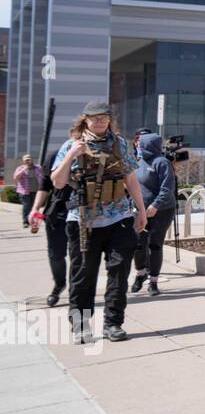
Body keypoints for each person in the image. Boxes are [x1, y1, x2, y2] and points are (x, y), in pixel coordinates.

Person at [50, 101, 149, 343]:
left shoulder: (120, 144)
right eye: (95, 118)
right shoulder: (71, 145)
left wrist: (141, 210)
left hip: (119, 218)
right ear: (85, 120)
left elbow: (131, 178)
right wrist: (72, 155)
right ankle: (80, 325)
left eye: (104, 118)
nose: (100, 122)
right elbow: (57, 181)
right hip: (84, 221)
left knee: (118, 273)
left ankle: (113, 324)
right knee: (83, 275)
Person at [28, 133, 79, 307]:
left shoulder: (93, 157)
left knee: (78, 255)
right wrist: (35, 209)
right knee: (55, 254)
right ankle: (59, 284)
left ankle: (76, 289)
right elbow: (44, 186)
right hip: (57, 212)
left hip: (82, 213)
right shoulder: (54, 156)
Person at [131, 133, 177, 296]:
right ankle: (140, 273)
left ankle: (153, 281)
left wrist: (155, 206)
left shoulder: (162, 163)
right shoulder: (137, 161)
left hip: (162, 211)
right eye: (137, 144)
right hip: (141, 210)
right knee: (138, 244)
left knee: (154, 244)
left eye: (141, 144)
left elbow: (167, 189)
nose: (138, 146)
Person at [14, 153, 42, 226]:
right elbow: (16, 177)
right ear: (23, 161)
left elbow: (43, 176)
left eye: (29, 159)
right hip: (24, 191)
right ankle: (25, 222)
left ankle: (34, 222)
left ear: (32, 159)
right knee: (27, 206)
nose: (28, 161)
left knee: (35, 207)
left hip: (36, 191)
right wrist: (24, 169)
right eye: (26, 160)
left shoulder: (38, 167)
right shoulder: (20, 168)